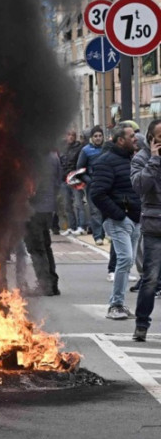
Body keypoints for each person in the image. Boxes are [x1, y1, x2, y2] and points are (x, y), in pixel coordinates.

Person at [90, 123, 141, 321]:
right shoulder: (105, 161)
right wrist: (119, 215)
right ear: (121, 140)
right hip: (119, 219)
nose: (135, 139)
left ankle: (120, 303)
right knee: (125, 259)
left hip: (135, 218)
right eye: (131, 136)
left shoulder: (132, 159)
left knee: (128, 262)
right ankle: (116, 305)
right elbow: (97, 194)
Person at [130, 119, 161, 340]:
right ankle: (141, 324)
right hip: (154, 226)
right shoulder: (141, 158)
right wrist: (155, 160)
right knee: (150, 278)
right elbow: (139, 186)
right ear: (151, 138)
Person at [22, 152, 62, 296]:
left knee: (36, 247)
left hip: (34, 209)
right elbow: (58, 182)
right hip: (48, 208)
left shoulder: (34, 156)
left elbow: (31, 187)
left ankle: (45, 285)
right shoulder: (53, 156)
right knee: (45, 245)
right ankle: (52, 284)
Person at [77, 126, 106, 245]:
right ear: (91, 138)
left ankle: (106, 233)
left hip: (106, 185)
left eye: (100, 136)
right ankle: (98, 236)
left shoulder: (107, 149)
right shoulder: (85, 151)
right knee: (95, 211)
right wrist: (89, 181)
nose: (98, 138)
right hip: (92, 186)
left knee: (106, 210)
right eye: (95, 136)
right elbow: (80, 170)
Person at [60, 129, 86, 236]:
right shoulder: (62, 149)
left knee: (79, 203)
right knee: (67, 205)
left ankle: (81, 226)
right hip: (64, 179)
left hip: (75, 179)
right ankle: (72, 226)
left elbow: (81, 164)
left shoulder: (79, 148)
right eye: (69, 135)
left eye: (73, 135)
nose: (70, 137)